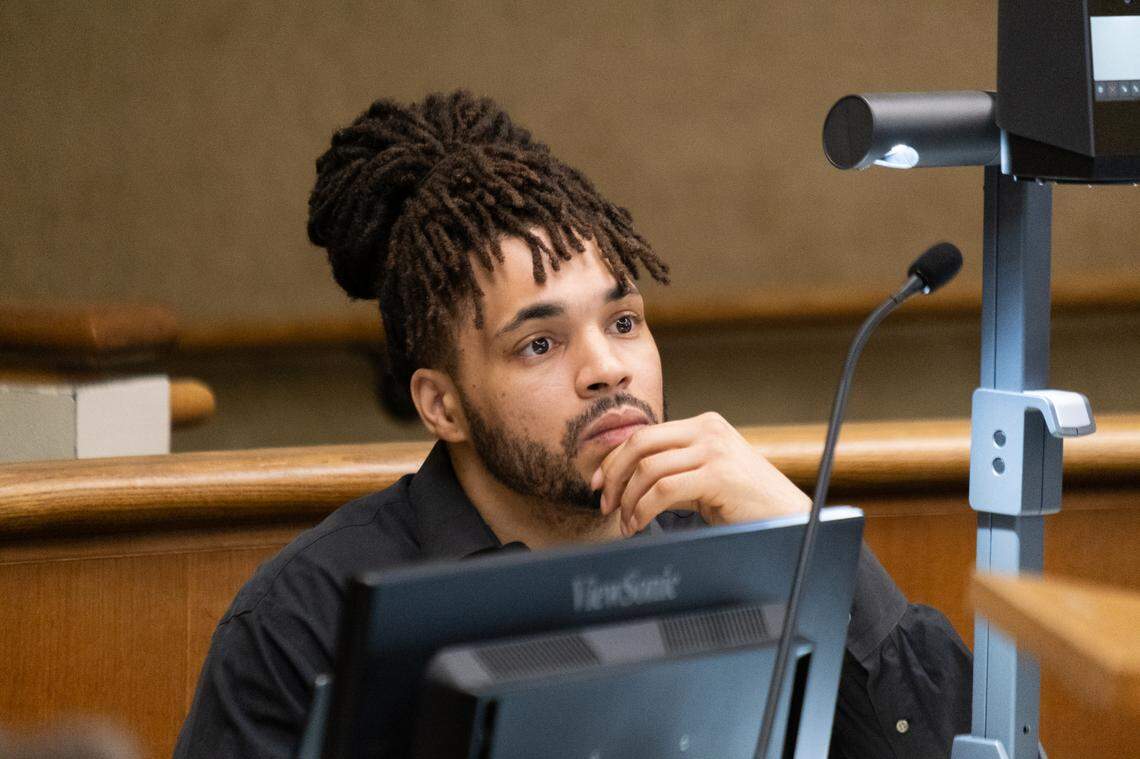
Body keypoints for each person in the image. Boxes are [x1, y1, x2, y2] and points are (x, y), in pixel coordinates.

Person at [175, 90, 971, 758]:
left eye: (624, 322)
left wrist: (812, 546)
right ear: (441, 404)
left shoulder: (738, 554)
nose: (608, 368)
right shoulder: (302, 619)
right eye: (541, 342)